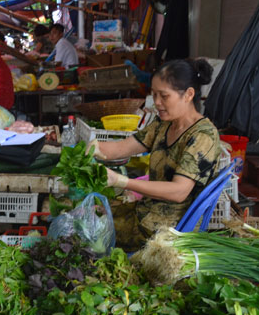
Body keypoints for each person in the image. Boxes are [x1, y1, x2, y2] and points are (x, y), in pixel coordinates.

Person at [89, 58, 222, 251]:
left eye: (164, 96)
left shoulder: (202, 136)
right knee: (87, 214)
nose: (156, 102)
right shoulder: (164, 123)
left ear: (188, 95)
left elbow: (179, 191)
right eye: (154, 95)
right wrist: (94, 147)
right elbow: (122, 148)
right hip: (146, 212)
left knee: (87, 230)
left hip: (165, 230)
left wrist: (122, 181)